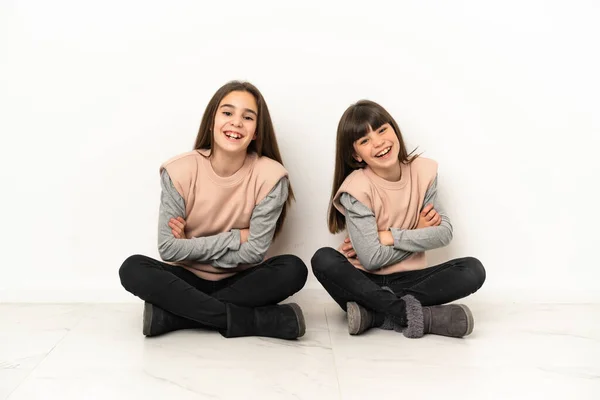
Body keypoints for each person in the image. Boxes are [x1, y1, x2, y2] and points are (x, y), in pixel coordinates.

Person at [119, 81, 307, 340]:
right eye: (227, 113)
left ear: (255, 132)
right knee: (132, 268)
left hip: (241, 279)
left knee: (293, 269)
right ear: (212, 121)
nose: (237, 122)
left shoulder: (271, 177)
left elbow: (254, 252)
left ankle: (175, 316)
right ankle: (256, 321)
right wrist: (236, 237)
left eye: (248, 117)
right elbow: (168, 248)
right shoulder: (179, 171)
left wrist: (191, 246)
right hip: (186, 279)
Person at [311, 100, 486, 338]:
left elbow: (444, 234)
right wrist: (417, 230)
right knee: (324, 259)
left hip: (412, 283)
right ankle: (413, 315)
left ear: (394, 129)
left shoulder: (423, 172)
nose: (378, 142)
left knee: (472, 269)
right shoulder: (356, 188)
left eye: (382, 130)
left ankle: (375, 314)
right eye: (365, 140)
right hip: (363, 283)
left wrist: (387, 236)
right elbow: (371, 259)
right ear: (356, 155)